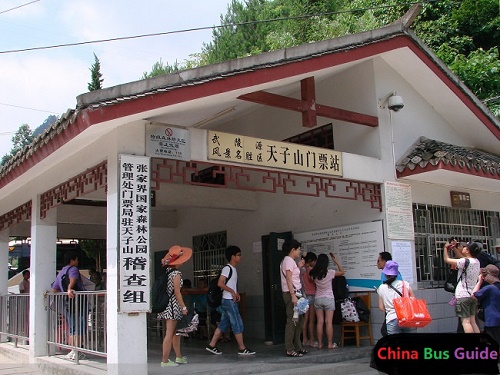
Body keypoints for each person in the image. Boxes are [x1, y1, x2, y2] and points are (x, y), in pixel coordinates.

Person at [206, 245, 255, 356]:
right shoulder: (227, 268)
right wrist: (232, 292)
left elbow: (228, 284)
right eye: (238, 255)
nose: (240, 257)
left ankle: (212, 345)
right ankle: (242, 348)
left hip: (228, 300)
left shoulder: (232, 269)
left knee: (224, 323)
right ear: (232, 256)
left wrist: (235, 292)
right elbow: (220, 283)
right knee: (237, 322)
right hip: (228, 301)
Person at [157, 245, 192, 367]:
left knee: (175, 333)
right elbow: (177, 292)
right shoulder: (176, 273)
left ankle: (179, 356)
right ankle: (165, 360)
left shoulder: (167, 272)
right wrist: (183, 307)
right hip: (173, 306)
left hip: (167, 305)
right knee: (170, 333)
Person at [51, 251, 87, 360]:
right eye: (76, 259)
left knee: (72, 327)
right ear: (72, 260)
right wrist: (70, 288)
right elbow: (73, 279)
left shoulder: (61, 272)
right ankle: (78, 351)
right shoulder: (73, 269)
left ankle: (72, 350)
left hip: (67, 303)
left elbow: (54, 289)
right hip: (78, 301)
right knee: (80, 326)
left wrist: (64, 291)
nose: (78, 261)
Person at [443, 240, 481, 333]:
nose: (463, 248)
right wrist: (454, 248)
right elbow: (461, 258)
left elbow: (447, 260)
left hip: (463, 295)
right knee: (473, 322)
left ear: (467, 250)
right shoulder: (476, 261)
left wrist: (445, 248)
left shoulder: (465, 261)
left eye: (464, 247)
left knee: (466, 322)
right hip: (473, 295)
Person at [310, 252, 344, 350]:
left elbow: (311, 280)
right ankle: (329, 344)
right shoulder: (330, 272)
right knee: (328, 322)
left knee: (320, 322)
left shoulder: (314, 274)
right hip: (329, 298)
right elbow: (342, 272)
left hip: (318, 298)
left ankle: (320, 344)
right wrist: (336, 261)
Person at [280, 239, 306, 357]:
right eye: (298, 249)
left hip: (297, 293)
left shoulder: (291, 261)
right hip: (293, 294)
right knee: (292, 321)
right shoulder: (288, 261)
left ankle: (297, 346)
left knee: (299, 321)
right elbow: (289, 279)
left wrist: (299, 266)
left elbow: (293, 277)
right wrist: (292, 295)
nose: (299, 252)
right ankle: (289, 348)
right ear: (293, 250)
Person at [377, 261, 416, 335]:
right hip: (406, 318)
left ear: (386, 274)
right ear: (396, 273)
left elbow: (381, 307)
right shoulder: (405, 285)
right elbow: (413, 301)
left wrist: (391, 310)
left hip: (391, 319)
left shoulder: (381, 288)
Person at [473, 264, 500, 351]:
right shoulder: (497, 287)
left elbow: (474, 295)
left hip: (492, 320)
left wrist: (479, 281)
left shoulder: (489, 288)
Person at [376, 252, 401, 336]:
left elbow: (381, 306)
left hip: (391, 308)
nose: (377, 263)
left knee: (385, 331)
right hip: (401, 307)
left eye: (378, 261)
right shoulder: (399, 275)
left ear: (384, 262)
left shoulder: (384, 274)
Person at [301, 252, 317, 348]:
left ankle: (304, 340)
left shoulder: (301, 269)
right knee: (311, 320)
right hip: (311, 295)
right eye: (314, 261)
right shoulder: (310, 270)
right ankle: (312, 340)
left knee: (304, 319)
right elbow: (312, 280)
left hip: (303, 296)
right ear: (311, 261)